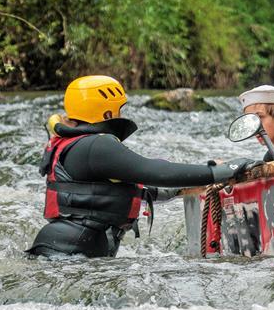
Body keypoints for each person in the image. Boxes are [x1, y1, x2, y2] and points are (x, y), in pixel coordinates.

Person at [29, 75, 257, 258]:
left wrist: (190, 184)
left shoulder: (77, 145)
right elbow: (156, 172)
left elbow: (132, 188)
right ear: (107, 112)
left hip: (66, 249)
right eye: (119, 109)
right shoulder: (97, 145)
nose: (120, 115)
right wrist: (224, 171)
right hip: (70, 251)